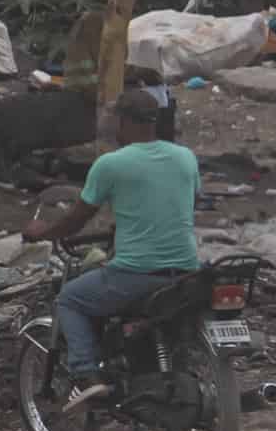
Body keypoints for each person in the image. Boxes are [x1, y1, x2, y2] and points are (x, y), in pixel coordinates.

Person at [22, 86, 199, 411]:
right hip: (186, 273)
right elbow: (181, 204)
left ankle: (88, 377)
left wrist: (42, 231)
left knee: (70, 299)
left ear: (125, 122)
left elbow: (75, 221)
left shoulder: (111, 164)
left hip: (137, 274)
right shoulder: (185, 157)